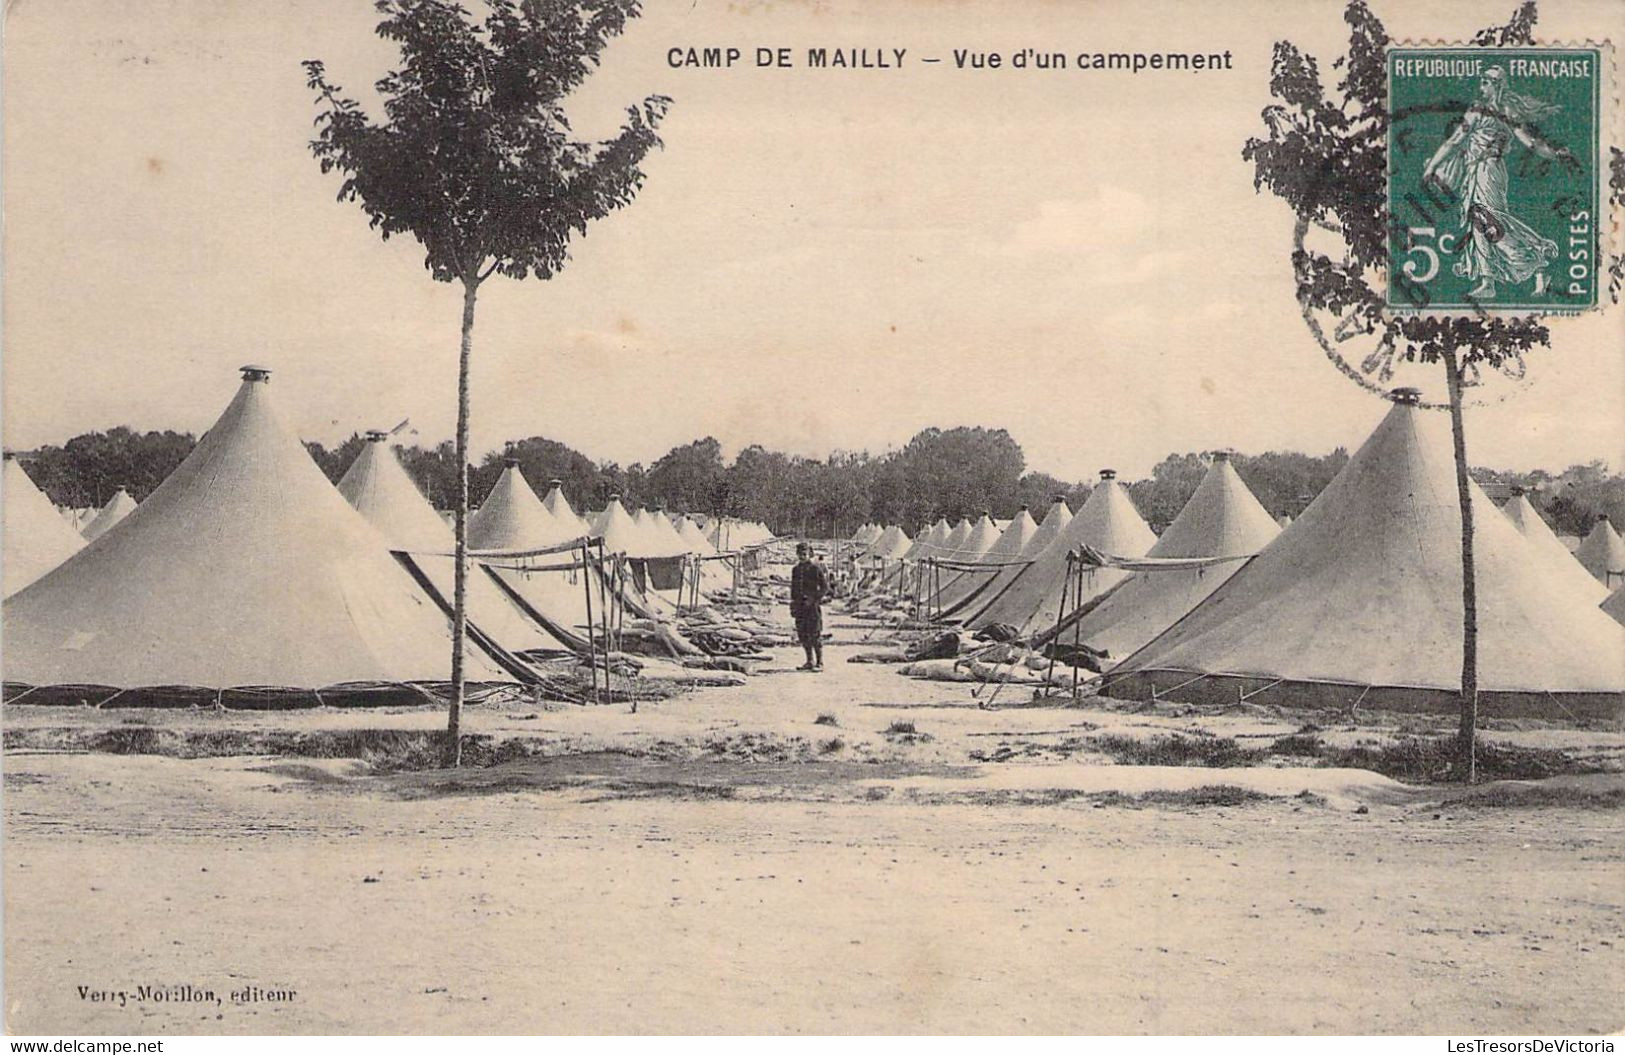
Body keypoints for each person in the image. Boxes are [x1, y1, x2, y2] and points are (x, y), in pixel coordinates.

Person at [1422, 66, 1572, 300]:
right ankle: (1489, 279)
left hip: (1489, 171)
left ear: (1497, 85)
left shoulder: (1497, 111)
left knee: (1491, 221)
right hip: (1476, 171)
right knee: (1481, 222)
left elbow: (1527, 142)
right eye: (1481, 82)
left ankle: (1536, 259)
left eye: (1486, 82)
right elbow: (1456, 141)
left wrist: (1554, 154)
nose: (1481, 87)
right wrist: (1432, 166)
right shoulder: (1488, 110)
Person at [789, 542, 830, 671]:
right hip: (800, 607)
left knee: (815, 634)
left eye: (804, 554)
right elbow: (794, 589)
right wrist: (793, 605)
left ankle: (820, 662)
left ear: (809, 554)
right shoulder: (795, 570)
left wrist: (813, 599)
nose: (802, 556)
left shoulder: (815, 569)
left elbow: (824, 587)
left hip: (812, 607)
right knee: (803, 634)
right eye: (800, 554)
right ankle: (809, 661)